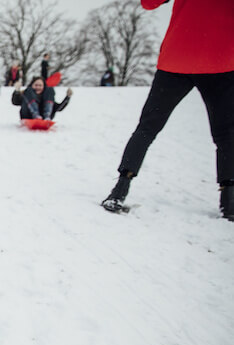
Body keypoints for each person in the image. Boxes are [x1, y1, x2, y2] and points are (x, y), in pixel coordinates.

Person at [100, 0, 234, 220]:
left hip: (177, 58)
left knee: (147, 127)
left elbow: (148, 3)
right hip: (220, 60)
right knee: (226, 134)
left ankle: (119, 190)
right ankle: (230, 202)